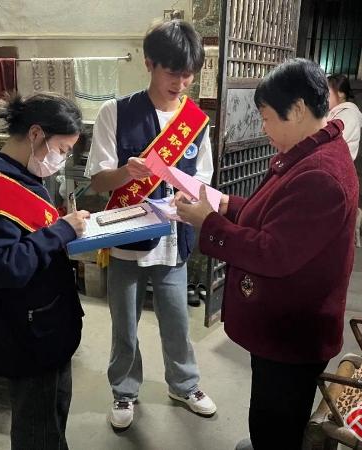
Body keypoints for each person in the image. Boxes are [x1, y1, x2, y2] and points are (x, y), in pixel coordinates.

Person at [176, 58, 359, 450]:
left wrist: (208, 222)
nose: (263, 128)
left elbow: (273, 252)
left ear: (298, 109)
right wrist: (226, 205)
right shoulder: (315, 153)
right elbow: (278, 218)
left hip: (293, 333)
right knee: (270, 412)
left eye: (266, 117)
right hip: (286, 324)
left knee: (277, 420)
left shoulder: (320, 174)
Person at [85, 19, 217, 430]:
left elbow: (203, 180)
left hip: (174, 238)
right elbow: (98, 181)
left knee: (177, 320)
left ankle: (185, 384)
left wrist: (190, 197)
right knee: (124, 324)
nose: (181, 82)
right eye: (172, 72)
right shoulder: (115, 112)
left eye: (188, 73)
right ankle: (124, 390)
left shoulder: (195, 121)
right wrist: (127, 172)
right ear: (149, 64)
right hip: (127, 237)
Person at [0, 92, 90, 450]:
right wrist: (62, 231)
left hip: (46, 319)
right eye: (62, 149)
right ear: (36, 134)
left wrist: (60, 227)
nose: (62, 159)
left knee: (53, 411)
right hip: (27, 330)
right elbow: (3, 266)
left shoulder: (16, 172)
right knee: (37, 426)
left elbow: (27, 232)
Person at [327, 73, 362, 161]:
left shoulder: (348, 116)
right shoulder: (335, 113)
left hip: (337, 165)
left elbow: (328, 143)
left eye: (327, 93)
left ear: (340, 94)